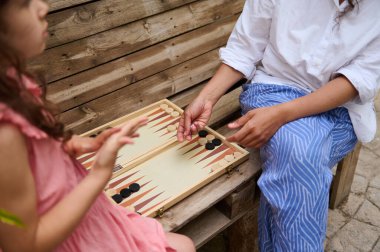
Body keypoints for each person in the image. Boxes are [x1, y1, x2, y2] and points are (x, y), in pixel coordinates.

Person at [178, 0, 380, 251]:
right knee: (300, 153)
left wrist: (281, 115)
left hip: (340, 109)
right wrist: (206, 98)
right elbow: (245, 48)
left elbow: (357, 80)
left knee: (299, 153)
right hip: (273, 90)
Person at [0, 0, 195, 251]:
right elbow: (24, 245)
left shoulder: (12, 83)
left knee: (183, 244)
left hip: (90, 220)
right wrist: (100, 175)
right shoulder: (4, 136)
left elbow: (37, 147)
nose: (42, 7)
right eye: (25, 3)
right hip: (67, 239)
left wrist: (78, 144)